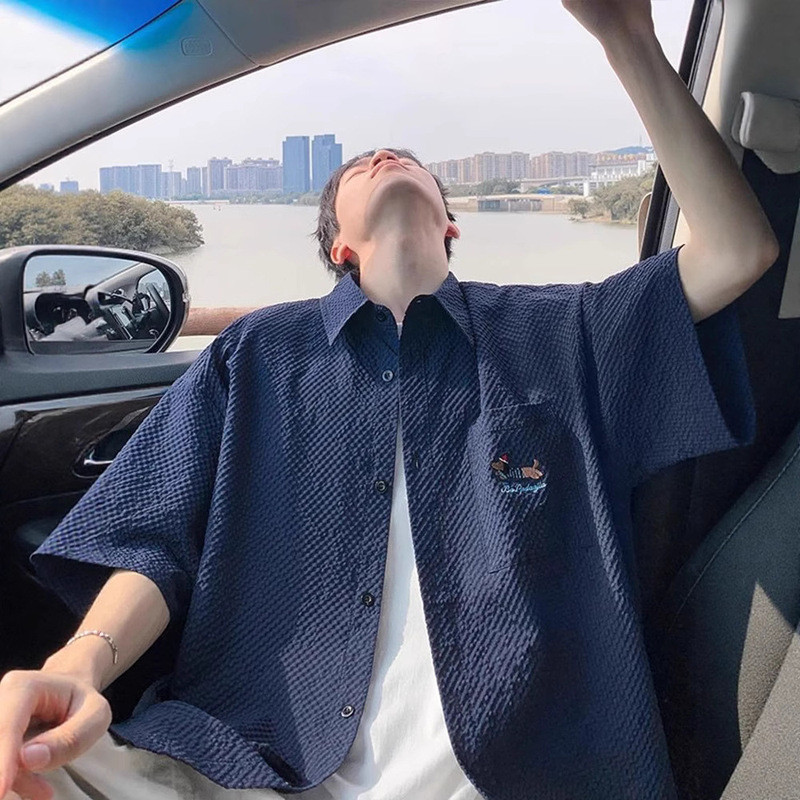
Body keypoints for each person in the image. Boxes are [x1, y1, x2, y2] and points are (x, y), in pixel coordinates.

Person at [0, 1, 780, 799]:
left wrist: (627, 38)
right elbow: (154, 543)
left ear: (450, 227)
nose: (383, 155)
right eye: (356, 169)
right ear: (339, 245)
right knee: (21, 754)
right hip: (248, 764)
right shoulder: (257, 352)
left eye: (409, 162)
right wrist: (76, 667)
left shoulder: (563, 329)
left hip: (524, 772)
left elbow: (738, 250)